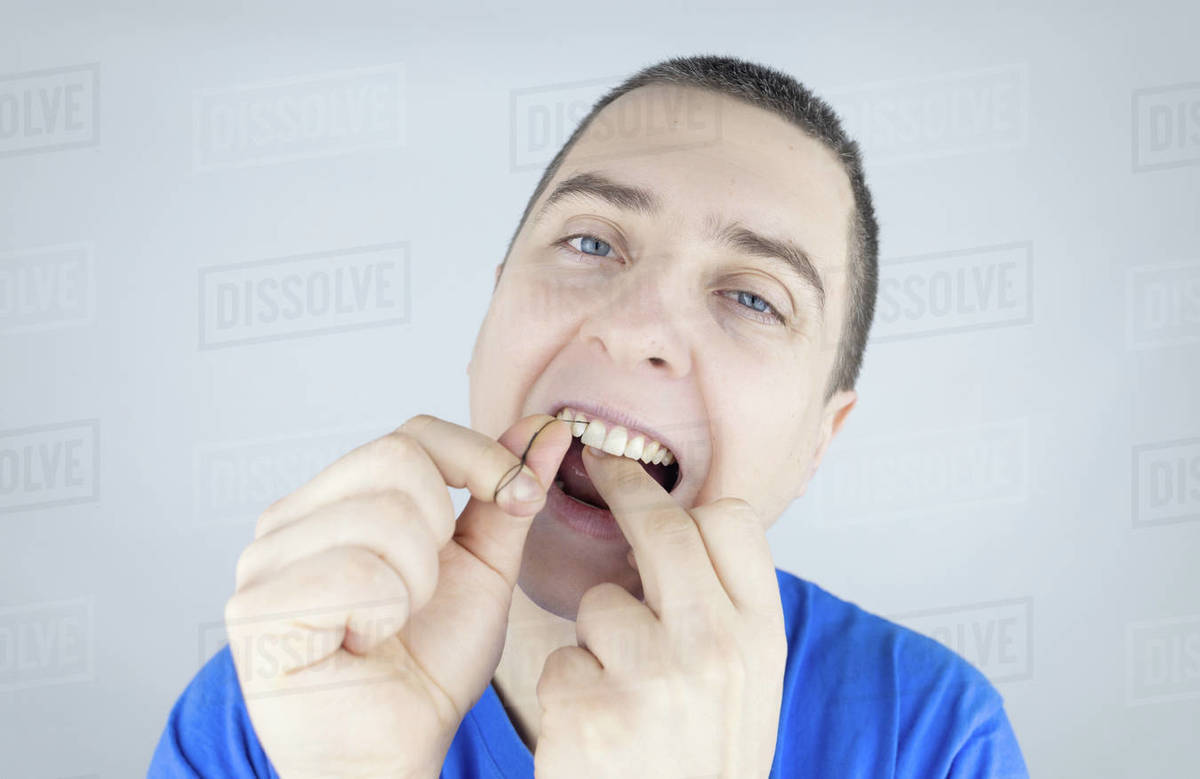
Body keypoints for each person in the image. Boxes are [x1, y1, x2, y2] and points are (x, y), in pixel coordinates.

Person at [150, 55, 1029, 778]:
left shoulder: (931, 734)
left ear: (817, 443)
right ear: (490, 314)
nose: (635, 325)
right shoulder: (277, 693)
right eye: (591, 241)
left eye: (754, 298)